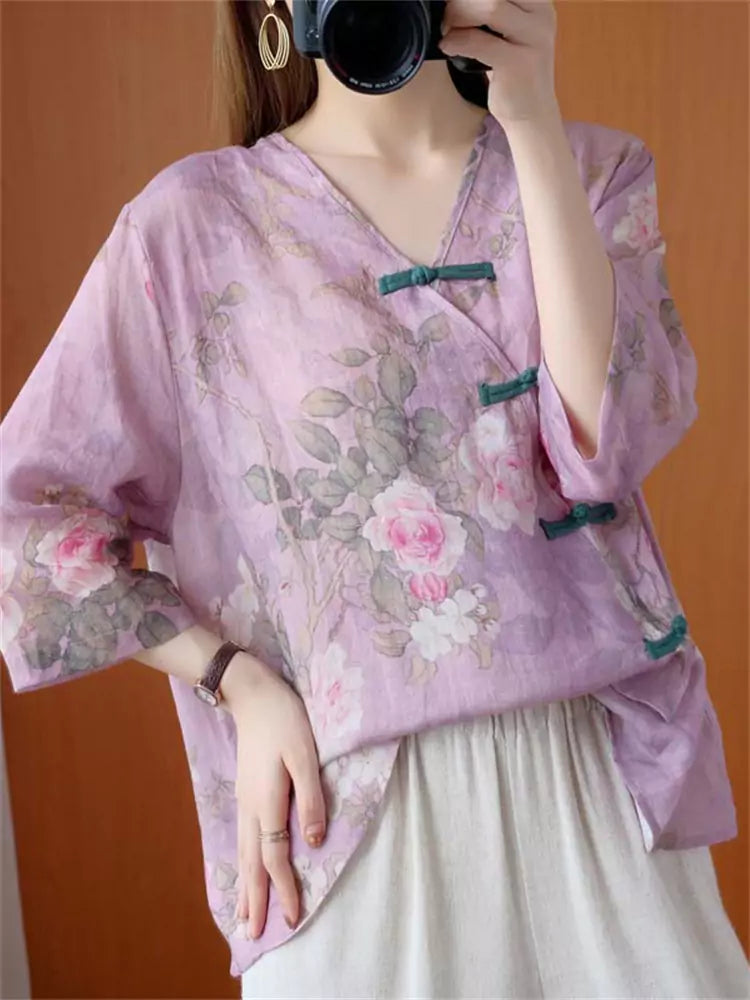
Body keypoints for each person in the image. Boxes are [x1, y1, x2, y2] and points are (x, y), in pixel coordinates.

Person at [1, 0, 748, 996]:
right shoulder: (192, 228)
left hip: (598, 789)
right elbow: (29, 512)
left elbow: (602, 450)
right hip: (351, 823)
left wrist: (529, 115)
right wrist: (233, 679)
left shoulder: (596, 172)